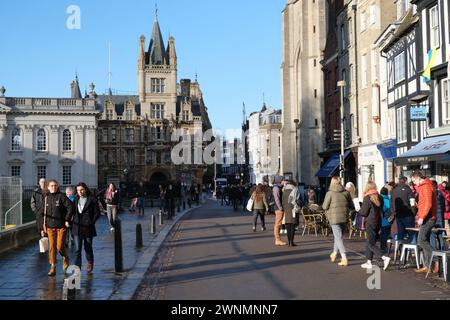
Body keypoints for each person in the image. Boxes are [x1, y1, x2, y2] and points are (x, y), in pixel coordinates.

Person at [43, 179, 75, 276]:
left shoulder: (61, 196)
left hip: (61, 226)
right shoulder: (46, 197)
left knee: (60, 246)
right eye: (52, 185)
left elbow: (71, 207)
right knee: (52, 247)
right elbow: (43, 213)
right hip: (50, 227)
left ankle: (65, 257)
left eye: (55, 185)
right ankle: (53, 267)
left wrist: (67, 219)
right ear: (48, 187)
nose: (54, 187)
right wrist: (43, 225)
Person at [359, 181, 391, 271]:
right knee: (370, 241)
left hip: (370, 222)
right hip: (378, 222)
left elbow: (364, 213)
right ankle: (368, 262)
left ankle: (384, 257)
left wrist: (358, 209)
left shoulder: (367, 198)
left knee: (371, 243)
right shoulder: (379, 197)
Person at [322, 177, 354, 267]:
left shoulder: (330, 193)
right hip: (344, 217)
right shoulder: (346, 193)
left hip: (334, 218)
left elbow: (324, 207)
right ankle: (334, 253)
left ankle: (344, 258)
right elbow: (351, 205)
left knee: (338, 237)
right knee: (338, 237)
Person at [411, 171, 437, 273]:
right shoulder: (425, 186)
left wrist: (421, 217)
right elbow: (425, 203)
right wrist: (418, 205)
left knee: (421, 240)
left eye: (414, 181)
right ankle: (428, 266)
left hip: (428, 218)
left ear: (417, 178)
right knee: (424, 240)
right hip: (429, 216)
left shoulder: (425, 186)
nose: (414, 183)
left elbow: (428, 204)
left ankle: (434, 262)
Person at [71, 183, 100, 273]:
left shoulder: (92, 199)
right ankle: (77, 268)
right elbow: (71, 211)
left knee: (88, 247)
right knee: (77, 249)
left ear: (86, 189)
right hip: (77, 227)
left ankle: (90, 262)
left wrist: (91, 222)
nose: (80, 192)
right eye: (78, 190)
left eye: (82, 190)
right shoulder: (75, 199)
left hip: (88, 227)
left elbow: (97, 213)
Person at [390, 176, 416, 244]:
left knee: (400, 232)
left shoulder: (393, 190)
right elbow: (412, 202)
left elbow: (391, 203)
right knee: (411, 232)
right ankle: (413, 250)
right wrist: (414, 212)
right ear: (406, 181)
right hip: (408, 214)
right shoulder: (408, 190)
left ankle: (400, 249)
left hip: (398, 214)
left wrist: (393, 212)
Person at [281, 180, 300, 246]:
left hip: (286, 209)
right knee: (292, 226)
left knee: (288, 225)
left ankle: (289, 241)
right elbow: (298, 200)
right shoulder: (295, 190)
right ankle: (291, 241)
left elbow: (282, 201)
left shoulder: (284, 191)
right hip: (293, 209)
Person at [273, 176, 286, 246]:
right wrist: (280, 208)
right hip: (278, 209)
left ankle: (277, 239)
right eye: (283, 180)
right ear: (279, 181)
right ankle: (277, 239)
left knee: (278, 224)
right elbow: (277, 199)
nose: (284, 181)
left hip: (278, 208)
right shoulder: (276, 188)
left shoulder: (278, 187)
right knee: (277, 224)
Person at [379, 187, 392, 253]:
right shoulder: (388, 200)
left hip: (380, 219)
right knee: (385, 234)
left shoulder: (379, 199)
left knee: (382, 234)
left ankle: (382, 246)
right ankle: (384, 247)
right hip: (387, 220)